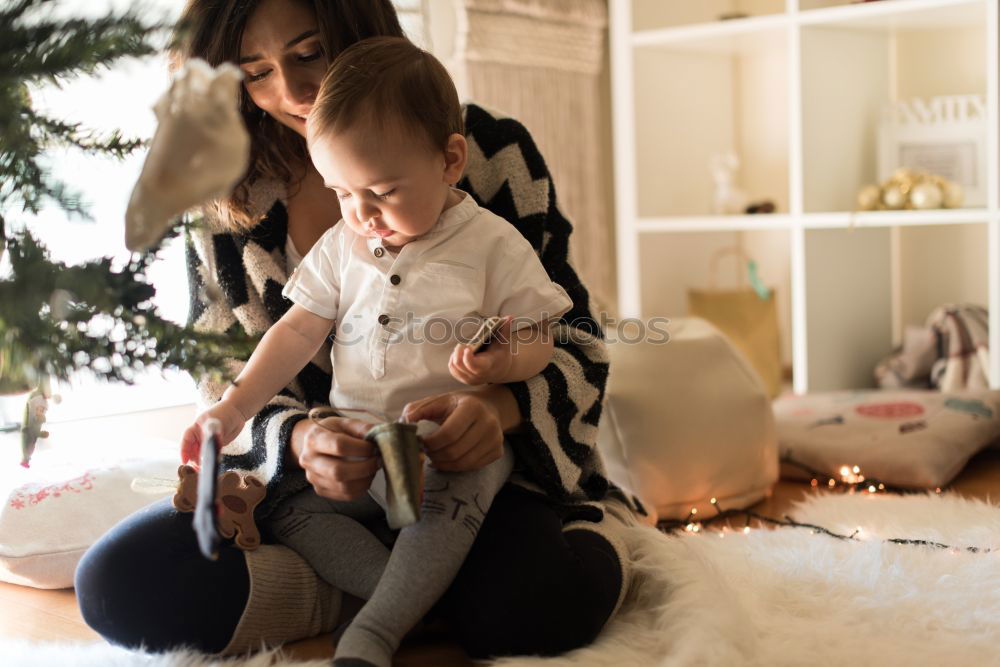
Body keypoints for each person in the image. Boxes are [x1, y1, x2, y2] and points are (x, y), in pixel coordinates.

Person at [75, 0, 643, 659]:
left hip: (468, 476)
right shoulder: (222, 193)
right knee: (118, 583)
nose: (288, 92)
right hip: (320, 493)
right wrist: (301, 440)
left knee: (542, 600)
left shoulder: (487, 155)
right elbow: (228, 369)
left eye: (309, 53)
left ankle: (400, 599)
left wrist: (498, 404)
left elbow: (571, 335)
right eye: (254, 71)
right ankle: (395, 595)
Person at [182, 36, 575, 667]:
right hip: (360, 445)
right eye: (342, 193)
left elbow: (540, 336)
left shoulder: (491, 242)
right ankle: (405, 597)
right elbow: (295, 333)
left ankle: (373, 635)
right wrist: (232, 411)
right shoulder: (344, 244)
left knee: (457, 494)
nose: (361, 215)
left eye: (383, 192)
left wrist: (501, 366)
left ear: (450, 161)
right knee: (284, 505)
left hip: (445, 447)